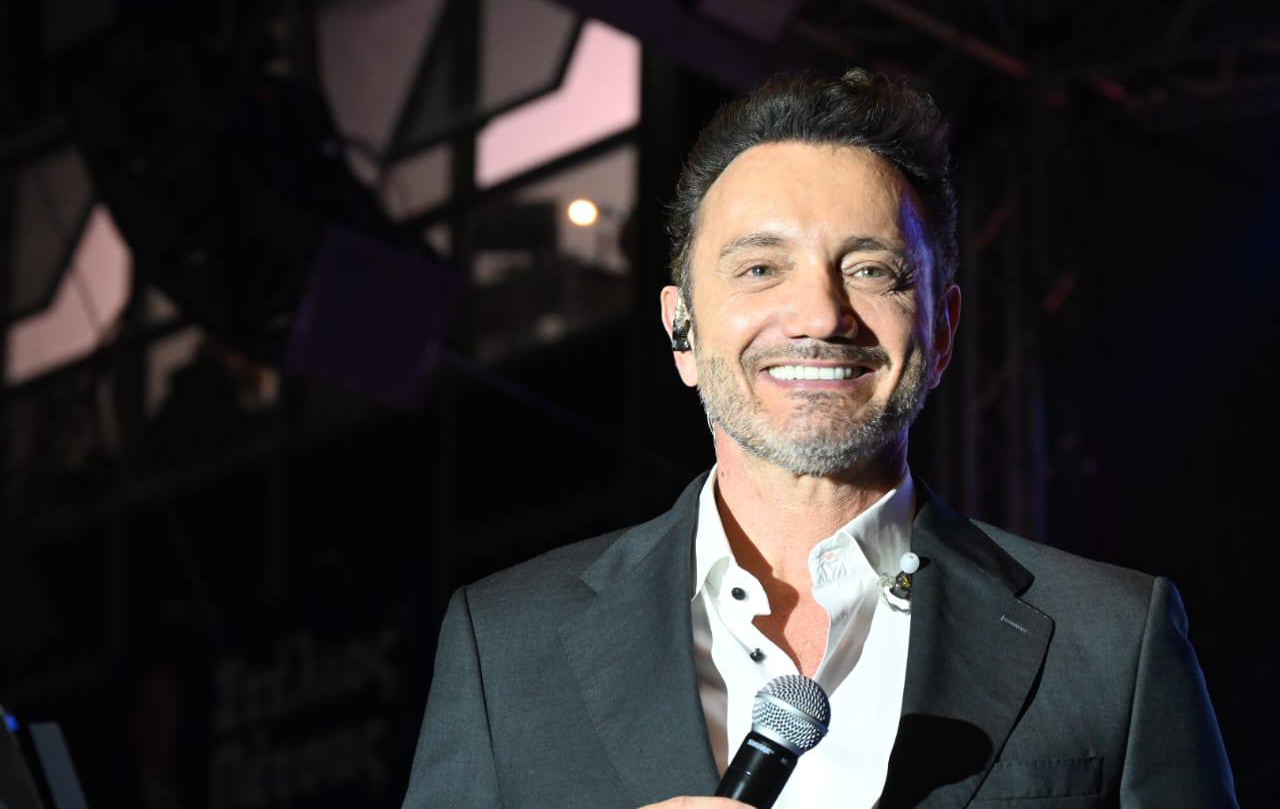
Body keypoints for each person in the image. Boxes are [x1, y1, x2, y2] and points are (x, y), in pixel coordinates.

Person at [402, 69, 1237, 808]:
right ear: (681, 331)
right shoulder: (505, 645)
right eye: (761, 268)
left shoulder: (1111, 638)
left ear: (943, 330)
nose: (819, 314)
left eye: (871, 269)